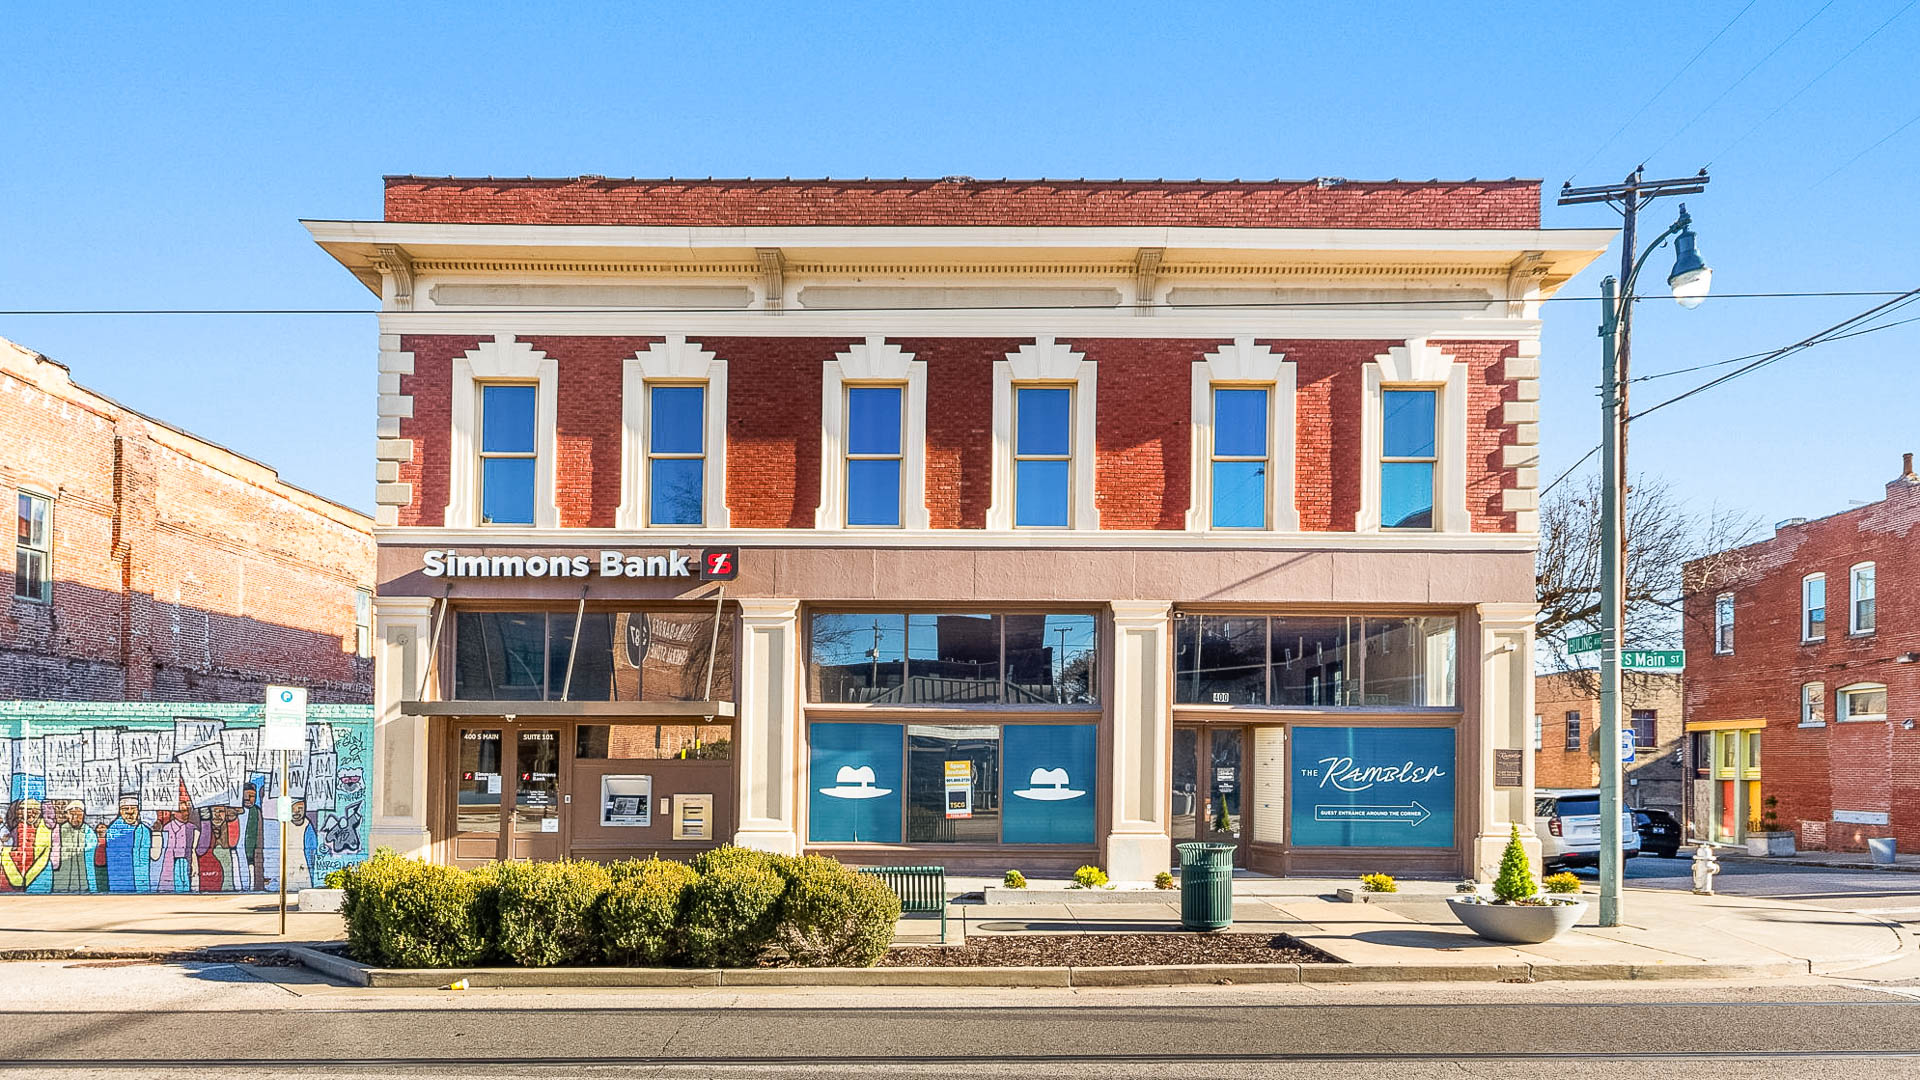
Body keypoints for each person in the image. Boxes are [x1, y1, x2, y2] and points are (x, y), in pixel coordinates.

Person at [3, 799, 53, 894]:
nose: (31, 814)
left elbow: (43, 857)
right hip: (17, 870)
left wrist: (26, 878)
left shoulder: (45, 830)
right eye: (27, 810)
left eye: (35, 811)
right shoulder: (16, 829)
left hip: (38, 873)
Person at [102, 798, 151, 893]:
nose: (130, 812)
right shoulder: (114, 831)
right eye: (125, 809)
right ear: (120, 811)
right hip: (120, 882)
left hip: (141, 882)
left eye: (133, 808)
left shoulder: (143, 830)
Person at [51, 802, 96, 894]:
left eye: (79, 815)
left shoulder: (87, 830)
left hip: (82, 873)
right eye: (72, 814)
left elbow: (92, 847)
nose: (75, 818)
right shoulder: (61, 830)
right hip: (63, 873)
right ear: (67, 815)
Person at [160, 797, 197, 893]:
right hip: (172, 863)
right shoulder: (167, 828)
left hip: (187, 861)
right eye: (182, 811)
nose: (186, 814)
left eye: (187, 811)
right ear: (174, 813)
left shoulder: (192, 828)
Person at [236, 783, 266, 891]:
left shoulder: (256, 811)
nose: (248, 799)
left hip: (250, 851)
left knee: (250, 873)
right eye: (246, 795)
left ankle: (250, 888)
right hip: (236, 849)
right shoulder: (234, 811)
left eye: (252, 796)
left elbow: (259, 832)